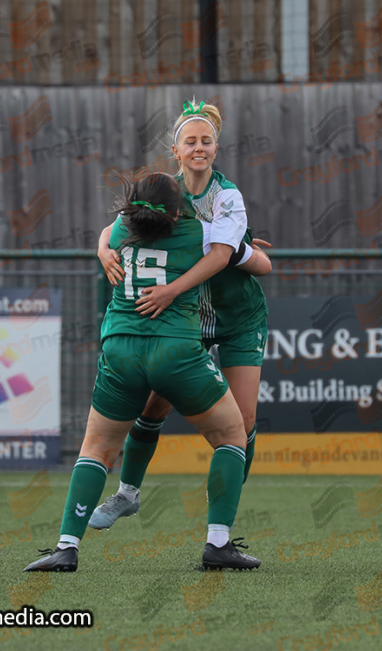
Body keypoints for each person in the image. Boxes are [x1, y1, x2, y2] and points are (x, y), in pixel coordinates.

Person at [23, 171, 260, 572]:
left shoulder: (118, 233)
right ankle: (217, 543)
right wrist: (247, 249)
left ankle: (66, 546)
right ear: (176, 210)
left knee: (96, 447)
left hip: (122, 349)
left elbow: (108, 229)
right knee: (232, 435)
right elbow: (242, 258)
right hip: (176, 352)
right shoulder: (198, 233)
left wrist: (100, 245)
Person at [89, 99, 271, 548]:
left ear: (216, 147)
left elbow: (223, 258)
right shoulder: (162, 189)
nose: (199, 148)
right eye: (191, 141)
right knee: (151, 410)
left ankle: (220, 525)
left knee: (242, 424)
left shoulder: (228, 196)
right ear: (176, 149)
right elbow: (114, 227)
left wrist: (173, 287)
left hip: (235, 317)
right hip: (182, 319)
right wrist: (102, 250)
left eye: (206, 141)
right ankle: (126, 494)